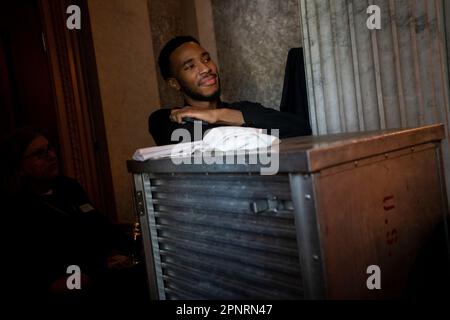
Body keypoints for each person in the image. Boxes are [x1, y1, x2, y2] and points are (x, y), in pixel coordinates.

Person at [1, 128, 147, 306]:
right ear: (20, 168)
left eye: (50, 148)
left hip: (101, 273)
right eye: (39, 154)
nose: (51, 156)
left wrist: (131, 249)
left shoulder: (69, 187)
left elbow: (101, 226)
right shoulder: (14, 208)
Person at [148, 35, 312, 146]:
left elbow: (301, 128)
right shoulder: (167, 119)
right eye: (190, 66)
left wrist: (216, 115)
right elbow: (190, 141)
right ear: (174, 83)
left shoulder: (245, 109)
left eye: (206, 59)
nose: (206, 68)